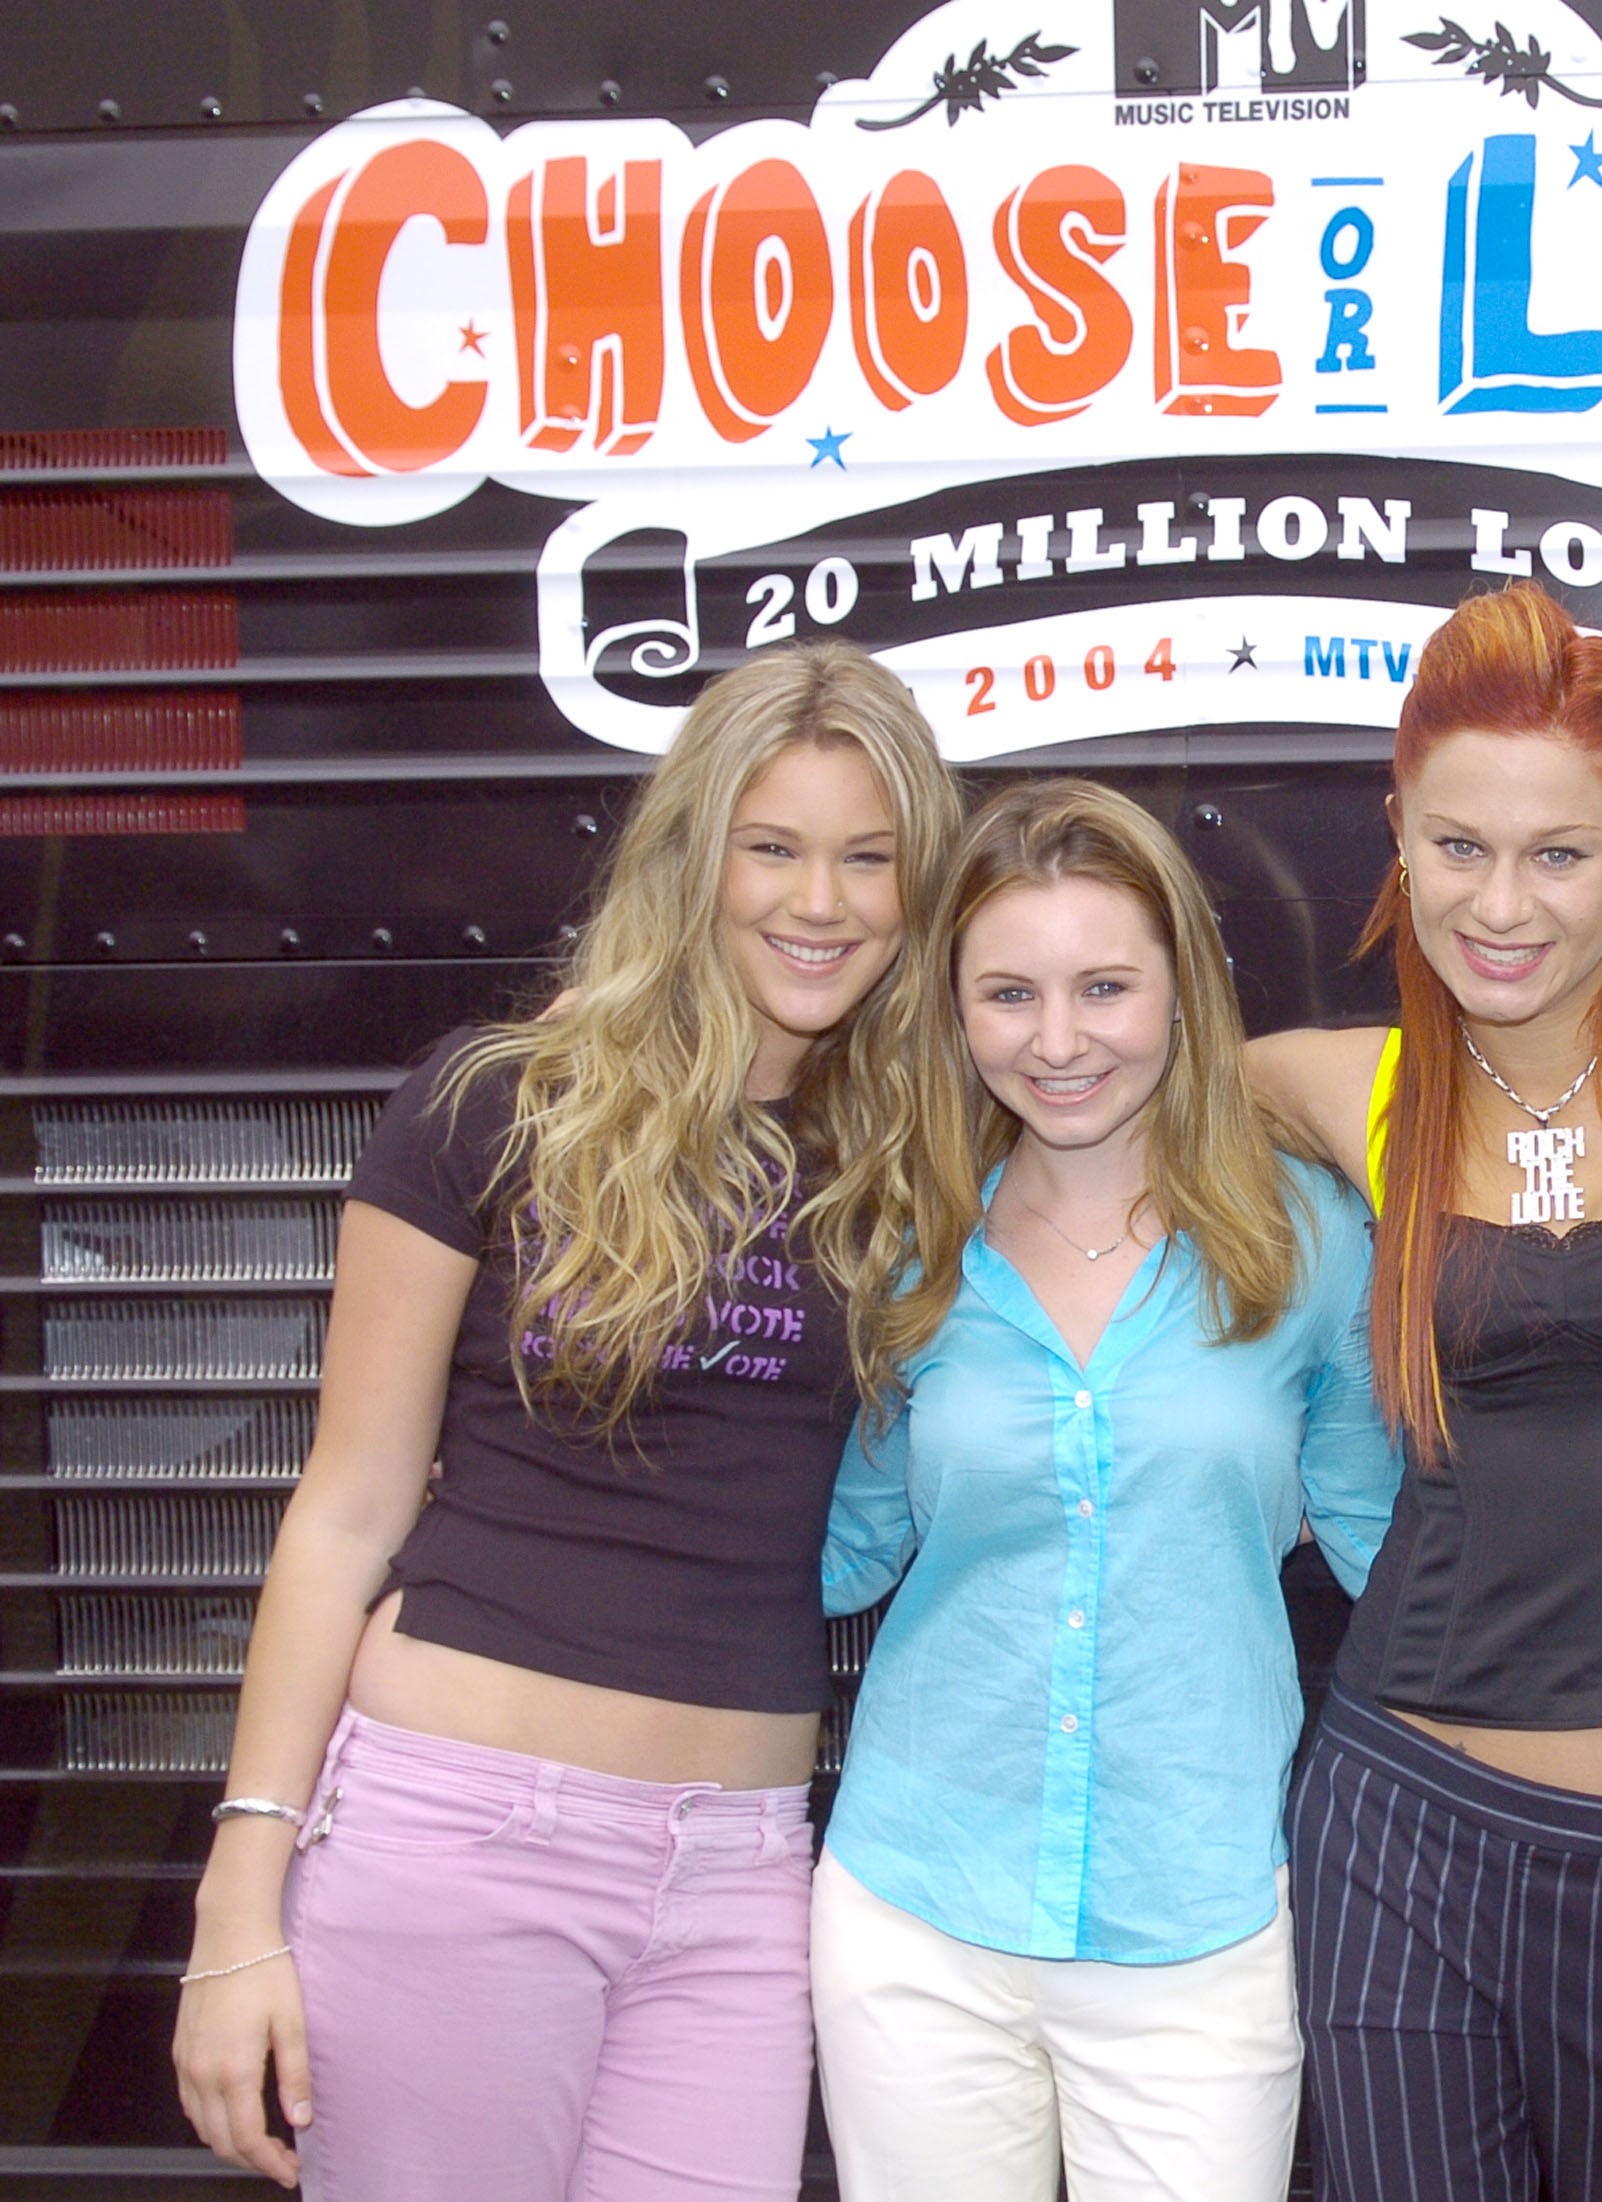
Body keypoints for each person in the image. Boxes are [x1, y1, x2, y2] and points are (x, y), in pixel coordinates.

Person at [168, 644, 963, 2197]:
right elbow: (345, 1508)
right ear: (694, 855)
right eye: (774, 846)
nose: (822, 901)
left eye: (870, 858)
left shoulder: (906, 1158)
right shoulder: (497, 1102)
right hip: (462, 1840)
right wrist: (238, 1891)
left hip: (740, 1870)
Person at [1246, 580, 1602, 2202]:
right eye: (1458, 845)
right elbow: (1069, 1103)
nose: (1501, 904)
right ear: (1398, 831)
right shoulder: (1338, 1087)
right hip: (1402, 1820)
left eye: (1560, 853)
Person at [807, 779, 1402, 2202]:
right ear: (954, 1009)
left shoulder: (1311, 1236)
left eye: (1105, 987)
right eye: (1009, 993)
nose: (1059, 1041)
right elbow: (842, 1549)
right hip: (914, 1916)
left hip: (1196, 1924)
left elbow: (1390, 1542)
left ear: (1182, 988)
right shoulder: (903, 1244)